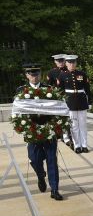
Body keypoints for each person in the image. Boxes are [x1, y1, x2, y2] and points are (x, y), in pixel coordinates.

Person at [19, 64, 63, 201]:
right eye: (31, 74)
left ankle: (54, 189)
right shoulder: (22, 91)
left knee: (52, 160)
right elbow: (19, 111)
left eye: (36, 74)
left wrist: (56, 127)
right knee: (34, 159)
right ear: (27, 75)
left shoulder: (49, 89)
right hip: (33, 131)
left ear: (40, 74)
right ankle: (40, 175)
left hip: (48, 130)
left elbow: (57, 108)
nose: (34, 77)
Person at [56, 55, 91, 153]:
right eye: (69, 62)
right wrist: (62, 103)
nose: (72, 64)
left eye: (73, 62)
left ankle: (84, 145)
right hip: (70, 102)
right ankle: (77, 145)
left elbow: (87, 89)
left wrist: (90, 101)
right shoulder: (62, 75)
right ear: (66, 63)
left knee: (83, 125)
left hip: (82, 101)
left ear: (76, 63)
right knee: (74, 125)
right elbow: (60, 90)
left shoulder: (82, 74)